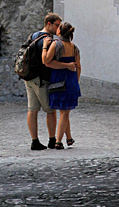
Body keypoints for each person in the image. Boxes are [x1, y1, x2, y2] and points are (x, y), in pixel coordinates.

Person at [25, 13, 76, 151]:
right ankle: (53, 140)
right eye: (57, 25)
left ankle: (34, 141)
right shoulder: (48, 40)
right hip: (41, 79)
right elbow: (47, 62)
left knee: (32, 110)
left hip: (29, 78)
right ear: (49, 24)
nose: (58, 28)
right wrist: (66, 66)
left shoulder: (34, 35)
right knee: (51, 110)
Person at [42, 21, 81, 150]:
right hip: (70, 81)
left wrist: (44, 47)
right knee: (65, 111)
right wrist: (76, 81)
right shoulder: (74, 48)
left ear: (59, 31)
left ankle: (58, 141)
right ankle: (68, 138)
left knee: (64, 112)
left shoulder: (55, 44)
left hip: (57, 80)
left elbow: (46, 60)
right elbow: (78, 67)